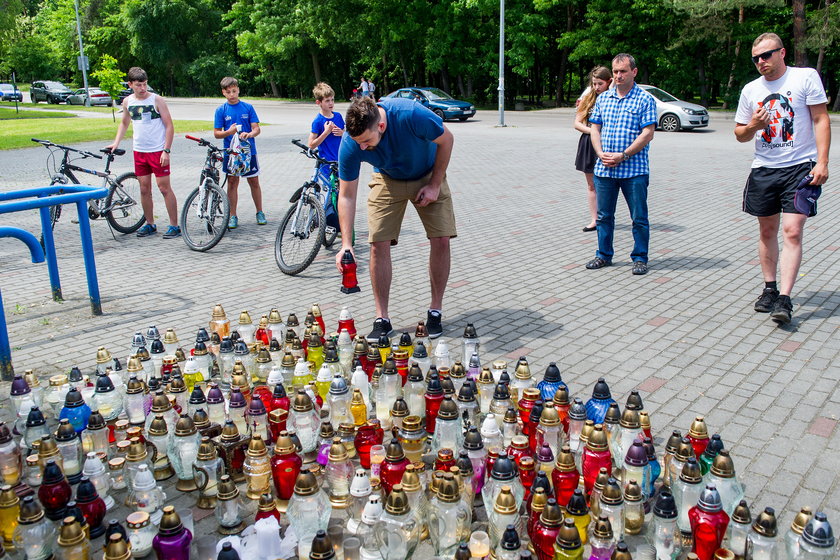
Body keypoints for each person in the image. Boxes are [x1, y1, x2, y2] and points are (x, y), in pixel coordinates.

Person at [335, 96, 456, 341]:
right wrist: (345, 244)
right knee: (378, 244)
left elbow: (447, 139)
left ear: (380, 125)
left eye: (366, 141)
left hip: (428, 174)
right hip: (387, 179)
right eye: (358, 142)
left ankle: (435, 311)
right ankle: (383, 319)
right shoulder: (352, 142)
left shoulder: (411, 115)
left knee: (441, 239)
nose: (362, 148)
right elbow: (346, 195)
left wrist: (434, 185)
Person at [734, 33, 830, 325]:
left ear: (782, 52)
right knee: (767, 231)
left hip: (800, 165)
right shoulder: (751, 90)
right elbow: (739, 134)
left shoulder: (805, 78)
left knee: (792, 231)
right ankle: (769, 288)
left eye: (766, 55)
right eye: (756, 58)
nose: (761, 62)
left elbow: (820, 119)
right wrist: (753, 124)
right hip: (764, 168)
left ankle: (785, 300)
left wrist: (823, 162)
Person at [587, 53, 657, 275]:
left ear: (634, 72)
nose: (618, 75)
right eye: (615, 71)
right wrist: (599, 153)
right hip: (605, 169)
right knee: (604, 216)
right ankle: (603, 255)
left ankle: (639, 258)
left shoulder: (645, 99)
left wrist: (623, 155)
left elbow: (648, 133)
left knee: (638, 217)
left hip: (634, 170)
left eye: (622, 71)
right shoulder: (603, 98)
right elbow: (595, 128)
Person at [106, 67, 179, 239]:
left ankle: (174, 225)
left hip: (157, 150)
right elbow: (124, 123)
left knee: (164, 188)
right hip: (140, 151)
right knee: (144, 188)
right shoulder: (128, 102)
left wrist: (166, 150)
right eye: (139, 85)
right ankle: (150, 224)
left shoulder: (157, 100)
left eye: (145, 84)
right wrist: (116, 142)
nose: (143, 88)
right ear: (130, 84)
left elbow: (169, 126)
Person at [213, 76, 266, 229]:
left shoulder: (248, 107)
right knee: (232, 182)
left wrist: (249, 134)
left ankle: (260, 212)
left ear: (238, 90)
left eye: (234, 91)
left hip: (249, 152)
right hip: (231, 153)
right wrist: (229, 132)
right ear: (223, 92)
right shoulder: (221, 110)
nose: (232, 95)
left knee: (254, 181)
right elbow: (217, 133)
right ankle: (232, 215)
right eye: (228, 92)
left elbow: (256, 129)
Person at [574, 66, 612, 232]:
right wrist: (594, 132)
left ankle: (607, 217)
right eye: (594, 83)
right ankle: (594, 219)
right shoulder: (588, 98)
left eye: (600, 83)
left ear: (608, 82)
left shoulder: (614, 97)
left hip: (608, 144)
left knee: (607, 184)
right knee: (591, 185)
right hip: (589, 143)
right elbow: (577, 123)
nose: (597, 87)